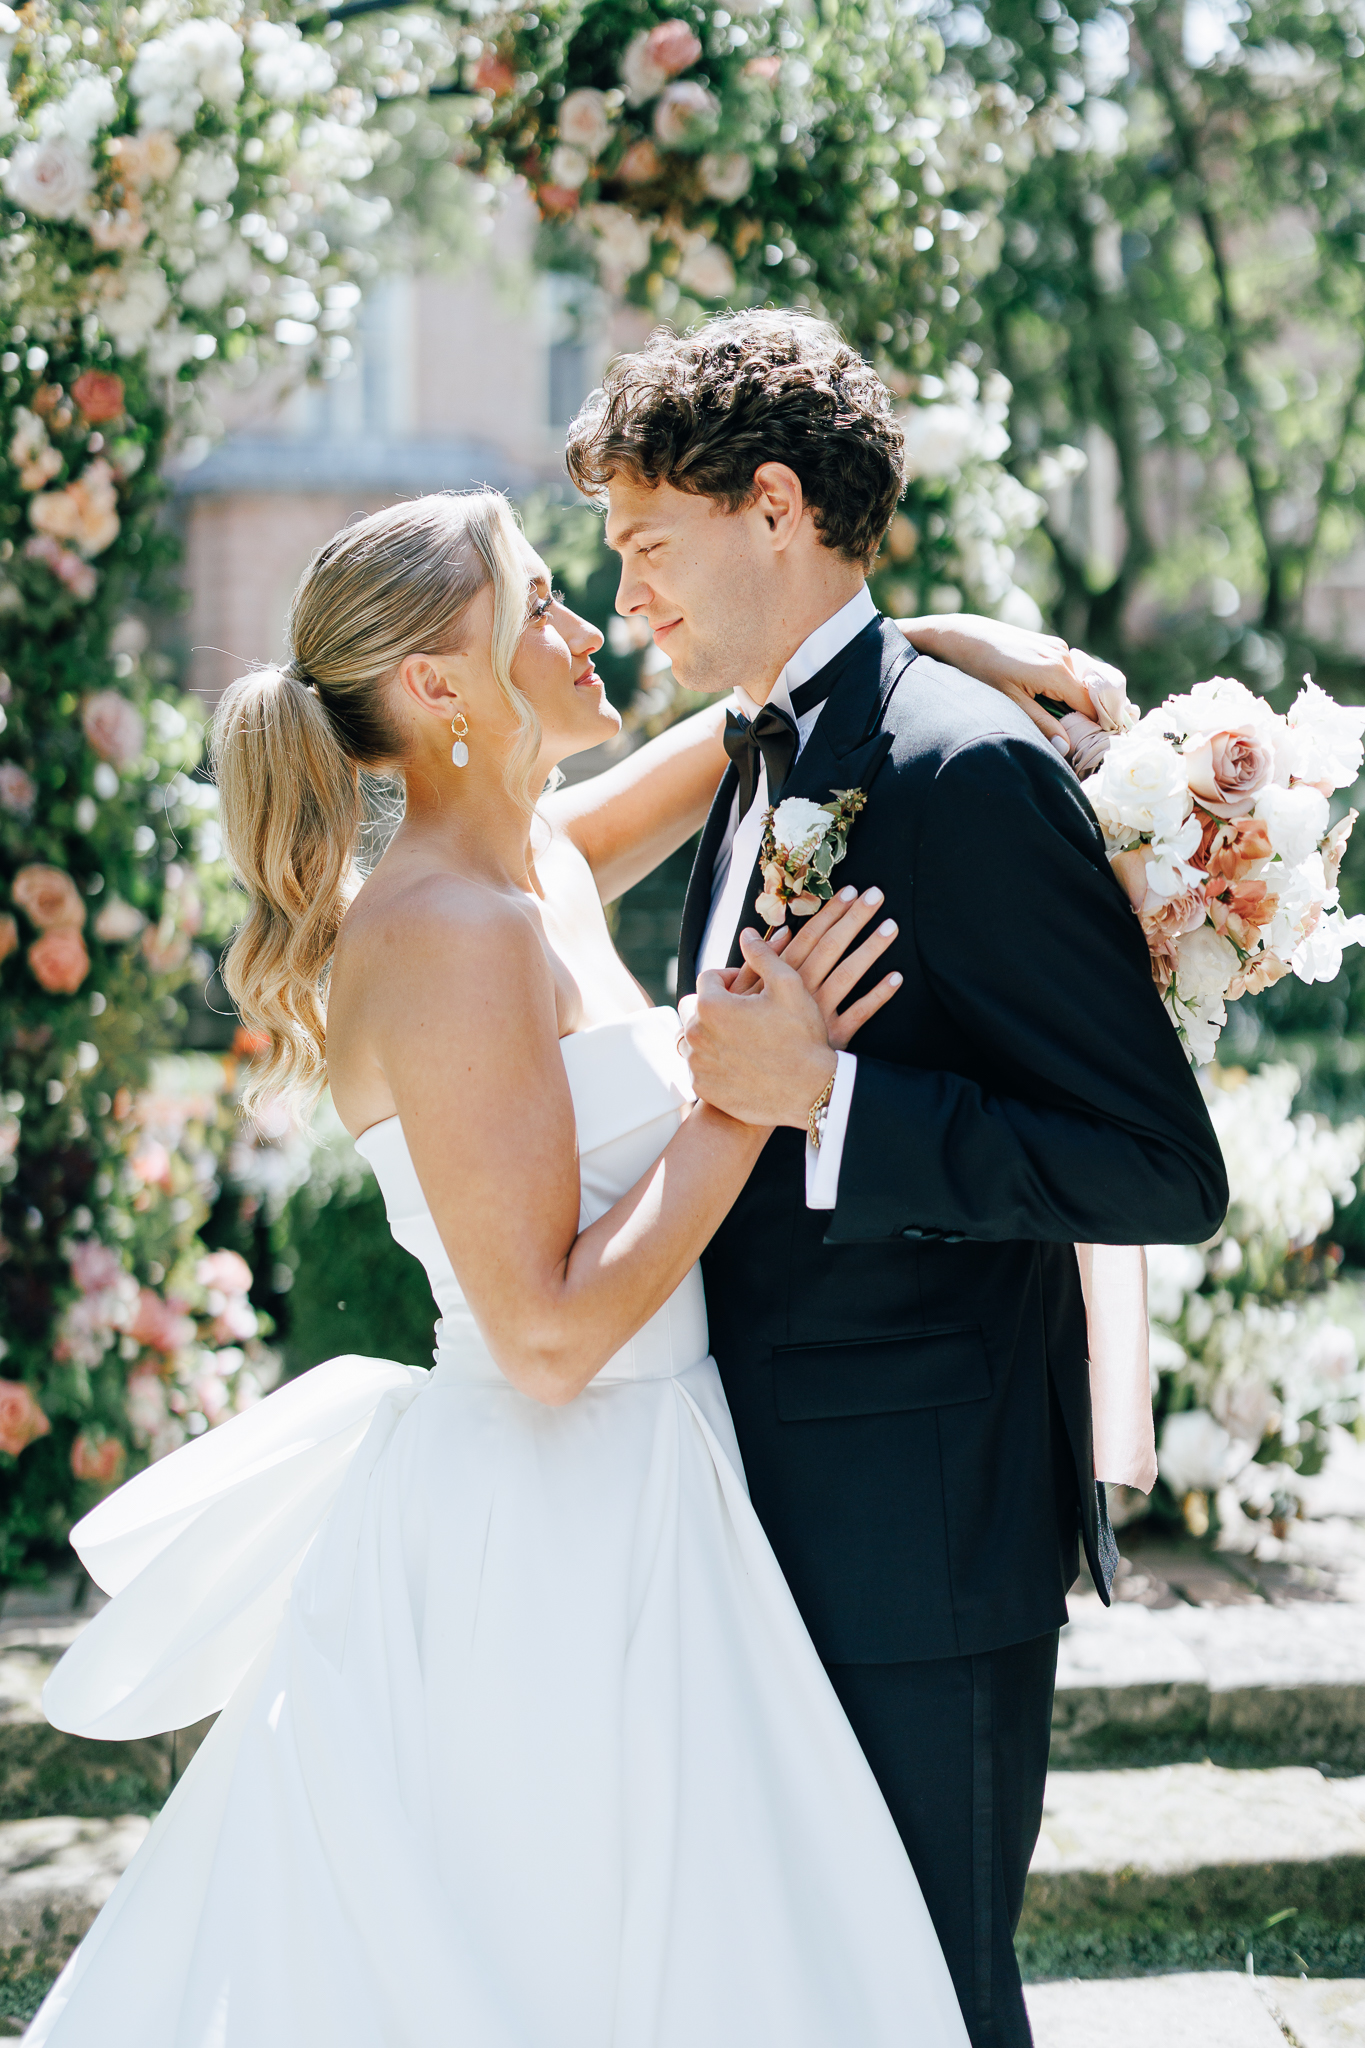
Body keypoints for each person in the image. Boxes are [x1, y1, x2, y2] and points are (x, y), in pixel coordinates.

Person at [27, 483, 1102, 2047]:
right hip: (547, 1527)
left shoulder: (532, 859)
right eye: (536, 600)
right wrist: (754, 1089)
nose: (585, 619)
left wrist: (918, 647)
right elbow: (539, 1335)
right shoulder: (444, 932)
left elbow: (729, 743)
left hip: (660, 1475)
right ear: (438, 690)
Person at [564, 309, 1229, 2048]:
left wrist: (832, 1103)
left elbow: (1156, 1167)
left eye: (646, 547)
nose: (628, 599)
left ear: (770, 506)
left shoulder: (961, 766)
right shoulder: (771, 746)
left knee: (929, 2000)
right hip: (752, 1507)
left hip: (918, 1538)